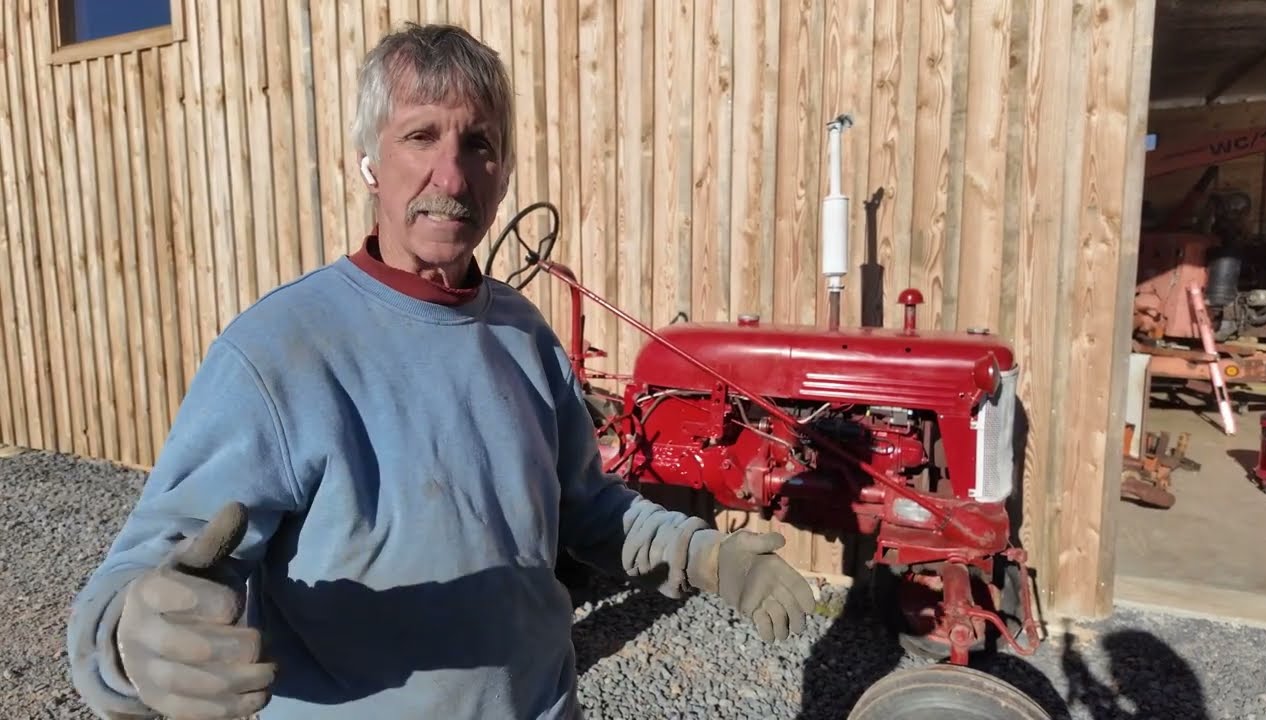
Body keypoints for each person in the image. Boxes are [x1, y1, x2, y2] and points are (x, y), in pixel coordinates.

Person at [66, 22, 816, 720]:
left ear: (503, 172)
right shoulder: (278, 353)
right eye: (420, 135)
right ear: (369, 161)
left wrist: (706, 556)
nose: (452, 177)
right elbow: (153, 569)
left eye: (478, 144)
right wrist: (136, 643)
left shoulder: (522, 334)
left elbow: (587, 510)